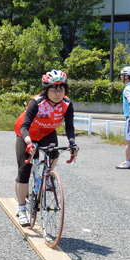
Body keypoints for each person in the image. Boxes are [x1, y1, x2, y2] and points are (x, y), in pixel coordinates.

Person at [13, 70, 78, 227]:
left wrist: (72, 143)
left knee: (55, 153)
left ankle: (47, 175)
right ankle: (22, 209)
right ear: (46, 90)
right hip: (27, 133)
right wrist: (28, 142)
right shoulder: (37, 102)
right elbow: (25, 126)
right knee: (25, 169)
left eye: (61, 89)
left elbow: (69, 127)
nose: (58, 93)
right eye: (53, 89)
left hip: (47, 132)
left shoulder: (67, 104)